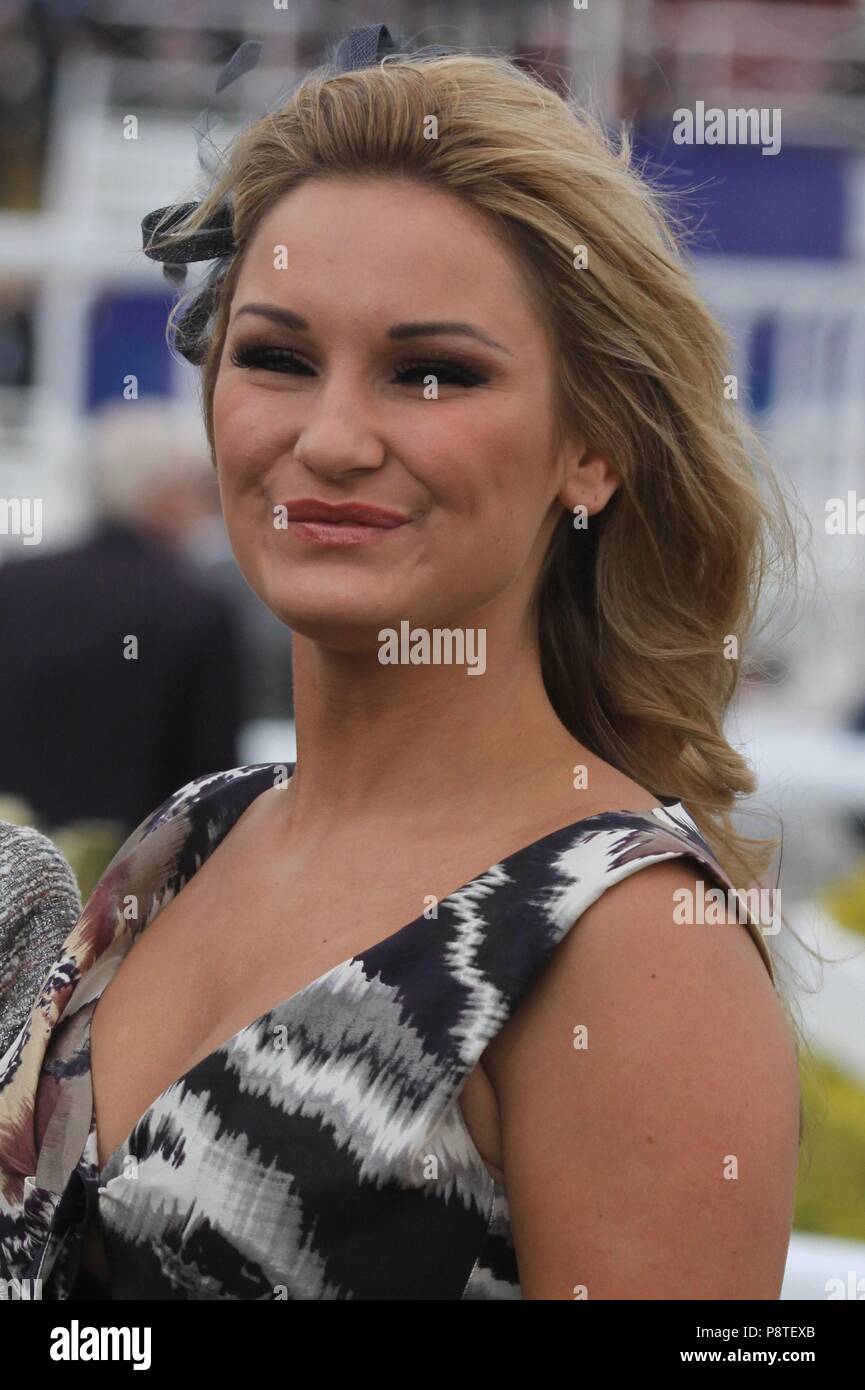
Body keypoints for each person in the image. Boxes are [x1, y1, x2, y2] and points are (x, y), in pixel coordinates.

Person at [0, 23, 802, 1301]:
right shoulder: (186, 841)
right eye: (275, 357)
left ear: (590, 448)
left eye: (430, 373)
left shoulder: (630, 944)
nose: (331, 437)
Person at [0, 400, 245, 832]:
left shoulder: (13, 584)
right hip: (131, 875)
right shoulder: (194, 609)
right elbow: (209, 783)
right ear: (166, 495)